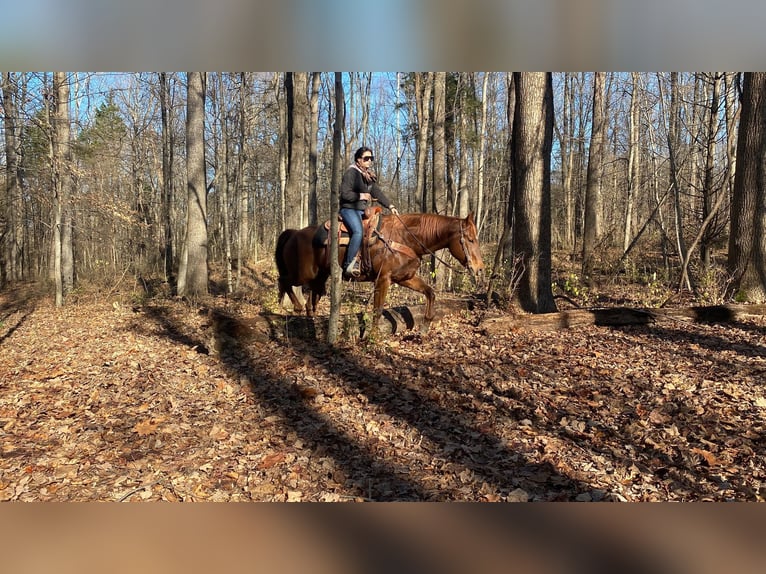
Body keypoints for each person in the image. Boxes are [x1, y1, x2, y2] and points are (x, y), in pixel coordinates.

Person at [339, 146, 399, 277]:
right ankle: (348, 265)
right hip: (349, 209)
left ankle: (368, 263)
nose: (369, 161)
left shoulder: (367, 176)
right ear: (358, 160)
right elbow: (344, 194)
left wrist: (390, 206)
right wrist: (361, 196)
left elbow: (377, 192)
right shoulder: (351, 173)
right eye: (366, 158)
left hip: (362, 211)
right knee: (358, 231)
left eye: (371, 158)